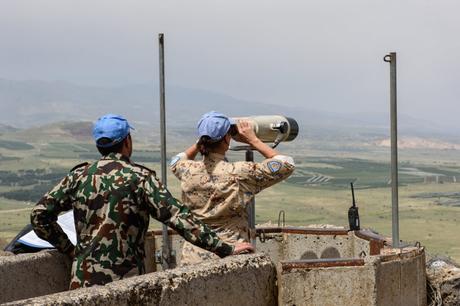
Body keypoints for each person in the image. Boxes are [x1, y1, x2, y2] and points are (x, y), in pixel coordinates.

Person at [30, 114, 253, 289]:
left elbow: (39, 215)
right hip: (125, 282)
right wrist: (225, 248)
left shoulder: (78, 177)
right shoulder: (140, 178)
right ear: (127, 141)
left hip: (82, 282)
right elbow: (179, 218)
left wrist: (69, 250)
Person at [169, 111, 295, 265]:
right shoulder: (239, 173)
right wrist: (253, 140)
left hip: (193, 256)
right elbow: (286, 164)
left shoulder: (187, 169)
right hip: (230, 253)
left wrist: (200, 142)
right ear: (226, 139)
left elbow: (175, 160)